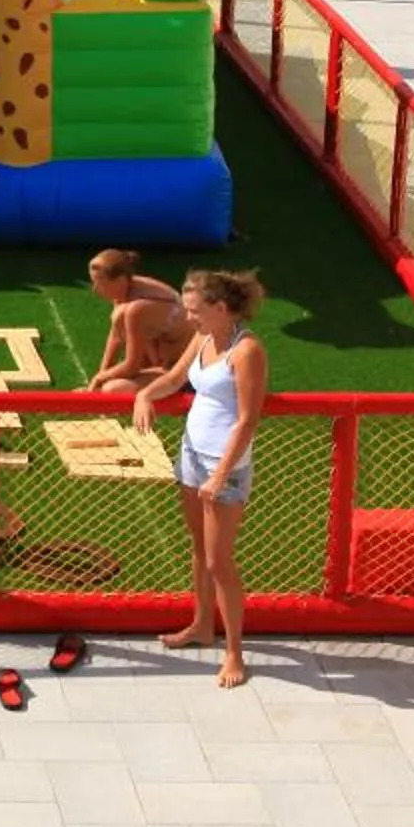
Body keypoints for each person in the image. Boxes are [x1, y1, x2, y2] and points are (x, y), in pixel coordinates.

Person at [131, 268, 269, 688]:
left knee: (219, 561)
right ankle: (201, 625)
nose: (188, 318)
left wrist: (220, 476)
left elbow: (247, 421)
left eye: (195, 310)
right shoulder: (204, 338)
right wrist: (142, 394)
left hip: (222, 467)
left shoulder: (247, 352)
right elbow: (174, 379)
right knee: (198, 549)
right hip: (191, 456)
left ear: (221, 308)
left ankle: (234, 653)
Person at [84, 249, 187, 393]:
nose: (95, 289)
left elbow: (132, 366)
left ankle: (187, 388)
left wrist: (100, 379)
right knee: (109, 383)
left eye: (100, 283)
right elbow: (115, 336)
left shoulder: (136, 309)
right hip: (159, 357)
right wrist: (98, 380)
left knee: (111, 389)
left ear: (119, 280)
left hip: (180, 368)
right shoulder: (127, 289)